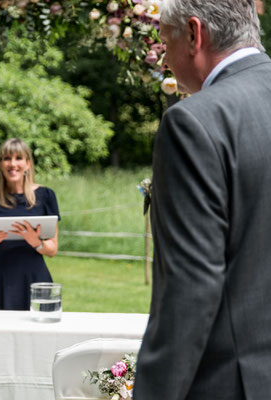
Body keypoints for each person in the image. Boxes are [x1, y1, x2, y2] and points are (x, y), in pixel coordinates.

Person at [133, 1, 271, 399]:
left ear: (194, 34)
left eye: (164, 40)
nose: (162, 57)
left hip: (232, 381)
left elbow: (190, 289)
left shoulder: (194, 123)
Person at [0, 138, 59, 310]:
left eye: (18, 158)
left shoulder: (46, 195)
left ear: (28, 163)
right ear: (0, 164)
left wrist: (37, 242)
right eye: (6, 158)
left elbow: (53, 249)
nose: (12, 164)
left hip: (34, 279)